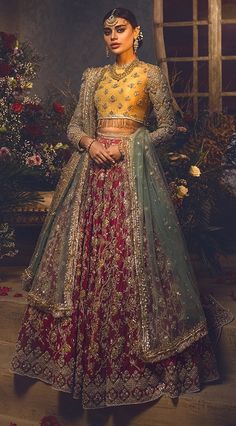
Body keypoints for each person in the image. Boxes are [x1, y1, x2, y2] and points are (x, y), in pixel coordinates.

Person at [11, 7, 230, 409]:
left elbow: (169, 127)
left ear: (136, 33)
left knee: (130, 258)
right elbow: (76, 126)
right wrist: (91, 144)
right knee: (86, 260)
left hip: (133, 175)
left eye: (121, 29)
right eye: (107, 30)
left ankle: (133, 354)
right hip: (91, 176)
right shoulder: (92, 77)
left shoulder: (150, 75)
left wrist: (134, 144)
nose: (113, 36)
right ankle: (77, 357)